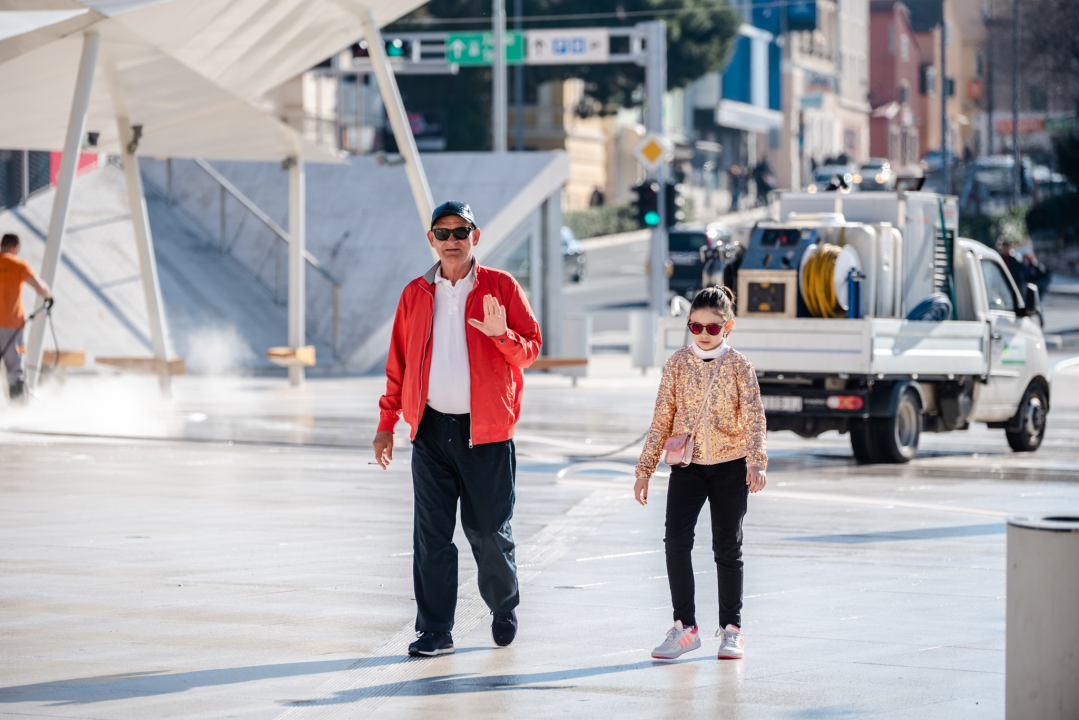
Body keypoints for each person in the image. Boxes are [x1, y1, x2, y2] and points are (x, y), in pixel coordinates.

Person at [373, 200, 542, 658]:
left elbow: (530, 351)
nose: (452, 241)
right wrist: (387, 423)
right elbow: (398, 363)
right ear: (431, 239)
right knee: (431, 536)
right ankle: (435, 630)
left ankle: (503, 605)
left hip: (486, 434)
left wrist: (500, 334)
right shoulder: (415, 293)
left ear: (475, 237)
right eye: (443, 233)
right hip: (430, 431)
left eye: (460, 232)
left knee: (488, 531)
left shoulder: (501, 286)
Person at [633, 286, 767, 661]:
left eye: (712, 328)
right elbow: (661, 420)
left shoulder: (739, 366)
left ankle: (732, 630)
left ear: (728, 327)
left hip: (730, 467)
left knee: (727, 547)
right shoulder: (676, 364)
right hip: (686, 467)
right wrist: (645, 469)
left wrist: (756, 460)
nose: (704, 334)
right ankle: (685, 628)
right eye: (696, 327)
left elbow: (755, 417)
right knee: (676, 542)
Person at [0, 233, 52, 401]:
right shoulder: (18, 265)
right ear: (15, 248)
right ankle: (18, 410)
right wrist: (49, 297)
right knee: (15, 372)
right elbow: (40, 288)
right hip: (11, 326)